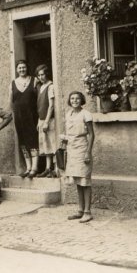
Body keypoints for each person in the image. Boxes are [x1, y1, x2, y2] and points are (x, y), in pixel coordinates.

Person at [59, 91, 95, 223]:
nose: (75, 101)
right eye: (72, 98)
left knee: (85, 180)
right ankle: (80, 210)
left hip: (82, 148)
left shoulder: (86, 114)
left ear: (81, 100)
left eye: (77, 99)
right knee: (78, 181)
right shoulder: (68, 114)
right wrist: (64, 140)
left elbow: (91, 134)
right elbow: (70, 132)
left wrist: (88, 152)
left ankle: (88, 212)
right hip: (71, 149)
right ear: (70, 100)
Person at [10, 60, 39, 178]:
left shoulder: (34, 80)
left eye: (24, 67)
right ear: (17, 70)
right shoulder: (13, 83)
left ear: (27, 68)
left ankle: (35, 167)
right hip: (19, 117)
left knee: (32, 140)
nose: (22, 69)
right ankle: (28, 167)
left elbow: (39, 98)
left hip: (31, 116)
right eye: (19, 68)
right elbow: (11, 101)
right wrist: (13, 114)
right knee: (22, 141)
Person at [35, 64, 58, 178]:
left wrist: (46, 122)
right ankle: (48, 168)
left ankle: (56, 169)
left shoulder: (51, 86)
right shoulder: (40, 87)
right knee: (45, 145)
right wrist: (40, 121)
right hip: (42, 119)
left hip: (49, 120)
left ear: (47, 74)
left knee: (53, 144)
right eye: (39, 75)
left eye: (43, 74)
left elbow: (51, 106)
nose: (41, 77)